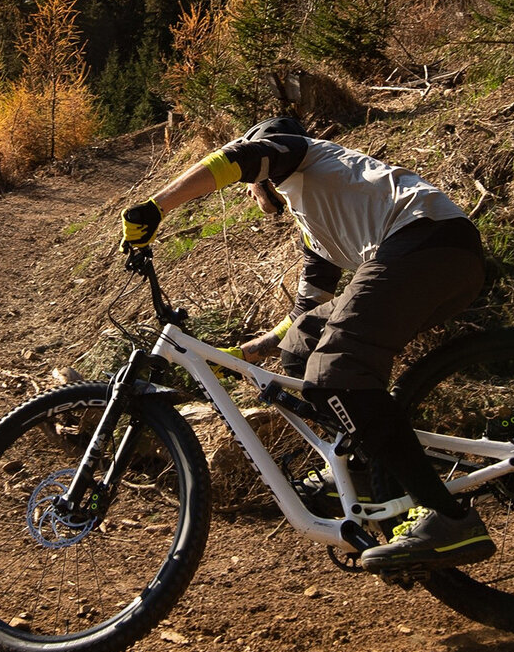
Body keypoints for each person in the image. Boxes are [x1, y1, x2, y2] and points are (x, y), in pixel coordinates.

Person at [120, 115, 493, 572]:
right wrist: (242, 357)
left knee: (337, 370)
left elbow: (238, 158)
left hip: (425, 242)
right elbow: (301, 316)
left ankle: (447, 517)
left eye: (251, 184)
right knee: (302, 347)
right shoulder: (315, 222)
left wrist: (156, 206)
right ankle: (362, 470)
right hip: (436, 257)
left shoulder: (296, 154)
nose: (250, 192)